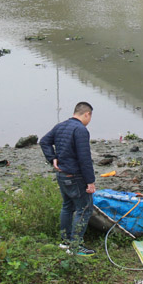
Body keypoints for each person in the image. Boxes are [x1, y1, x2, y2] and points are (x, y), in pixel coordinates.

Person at [40, 101, 97, 256]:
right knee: (84, 209)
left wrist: (52, 158)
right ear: (87, 114)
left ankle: (65, 241)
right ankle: (76, 246)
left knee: (67, 206)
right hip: (75, 176)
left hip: (62, 174)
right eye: (90, 117)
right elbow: (84, 158)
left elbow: (44, 141)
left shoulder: (61, 126)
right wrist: (90, 181)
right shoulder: (80, 130)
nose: (89, 121)